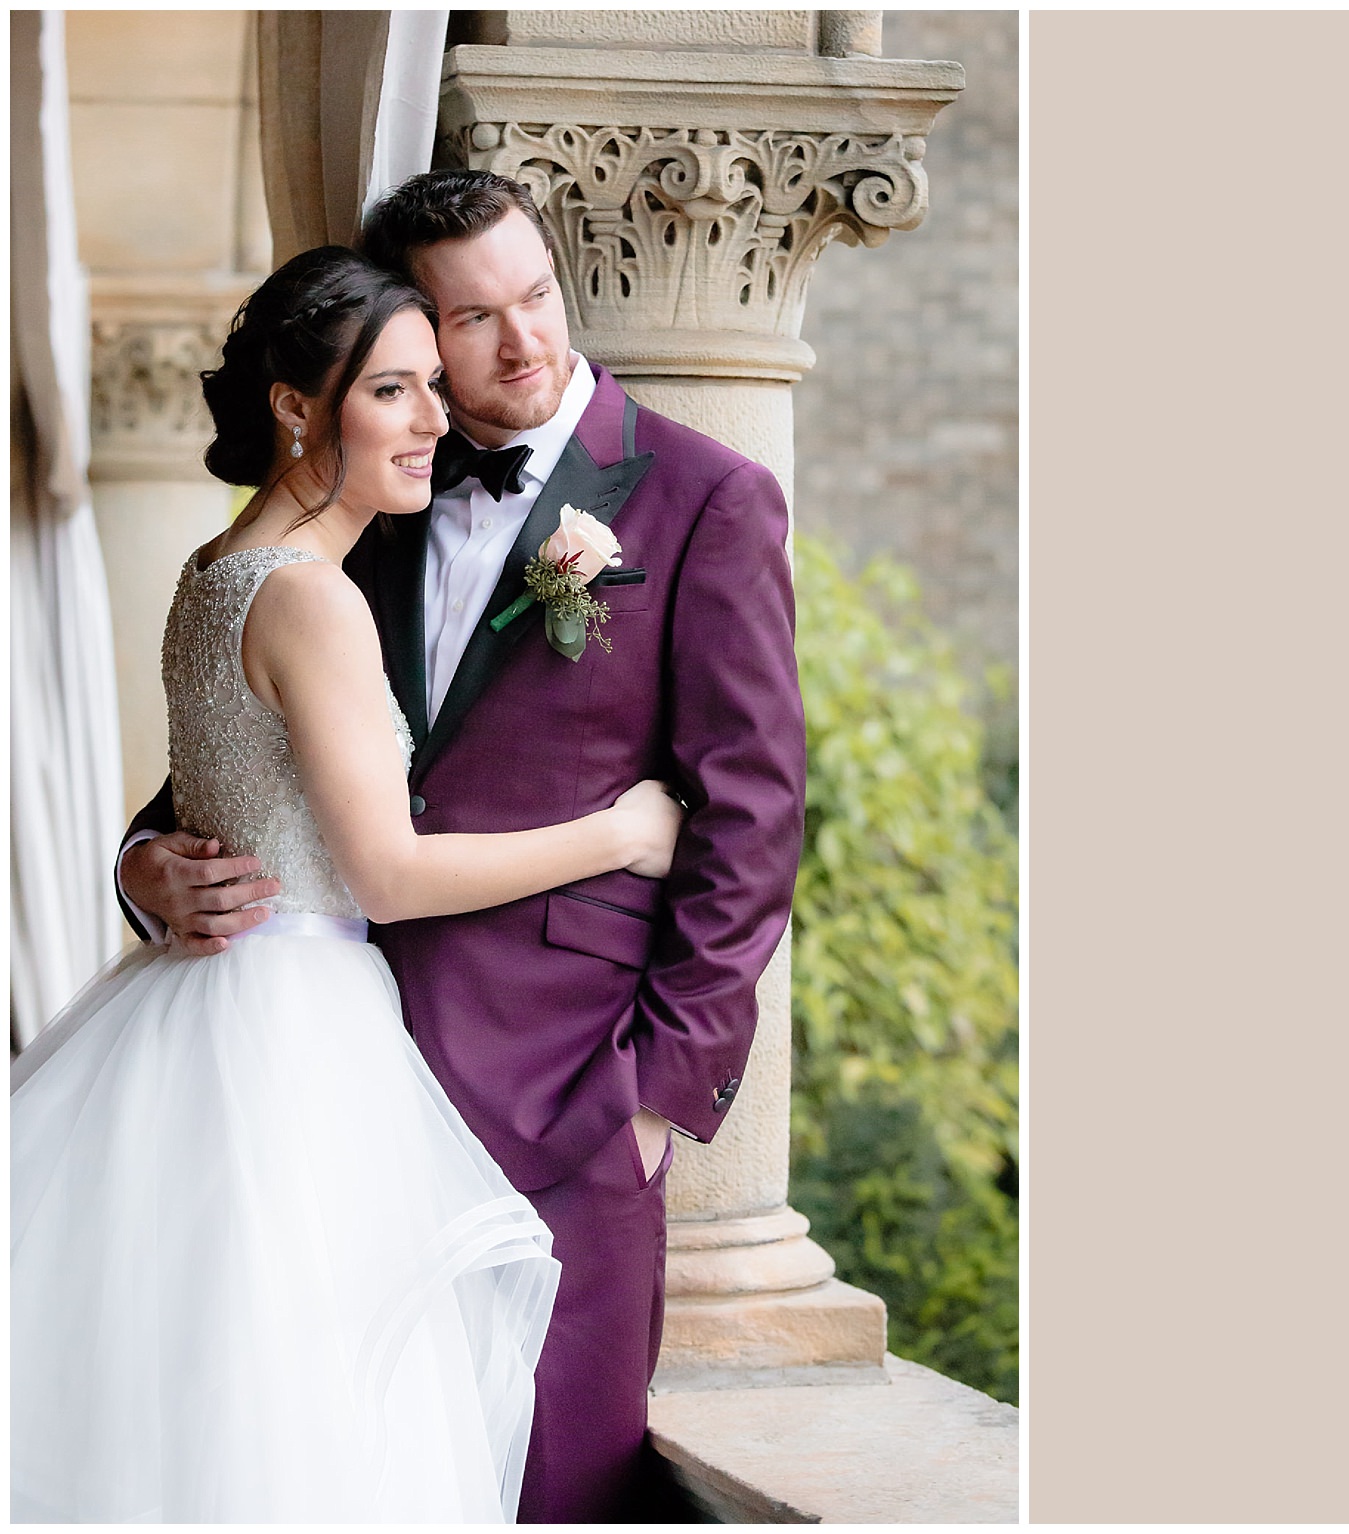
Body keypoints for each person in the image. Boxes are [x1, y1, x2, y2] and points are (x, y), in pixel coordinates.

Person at [118, 170, 807, 1522]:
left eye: (536, 295)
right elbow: (250, 751)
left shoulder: (706, 497)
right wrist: (148, 864)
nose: (524, 343)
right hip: (325, 1096)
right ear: (412, 336)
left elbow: (754, 816)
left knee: (557, 1479)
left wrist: (659, 1094)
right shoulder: (366, 491)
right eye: (472, 320)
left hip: (568, 1103)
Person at [14, 246, 690, 1522]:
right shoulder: (313, 597)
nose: (439, 418)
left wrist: (147, 863)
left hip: (200, 1006)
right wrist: (619, 833)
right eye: (395, 390)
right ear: (295, 406)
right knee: (313, 1419)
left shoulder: (212, 571)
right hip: (296, 1036)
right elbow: (382, 866)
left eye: (435, 385)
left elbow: (227, 798)